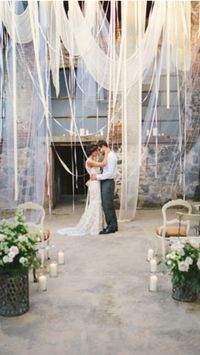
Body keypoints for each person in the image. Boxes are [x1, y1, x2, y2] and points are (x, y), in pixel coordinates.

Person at [58, 144, 109, 236]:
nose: (97, 152)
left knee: (97, 202)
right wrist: (107, 153)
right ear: (91, 152)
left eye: (97, 151)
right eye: (95, 151)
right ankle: (93, 226)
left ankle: (98, 225)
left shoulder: (94, 159)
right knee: (96, 203)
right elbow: (103, 164)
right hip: (94, 184)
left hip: (96, 182)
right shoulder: (89, 161)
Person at [90, 140, 118, 234]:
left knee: (107, 205)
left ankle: (110, 227)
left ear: (103, 147)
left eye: (99, 149)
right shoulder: (108, 155)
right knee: (109, 204)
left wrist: (97, 177)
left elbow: (109, 173)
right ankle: (114, 226)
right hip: (105, 181)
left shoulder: (111, 156)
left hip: (108, 182)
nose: (99, 151)